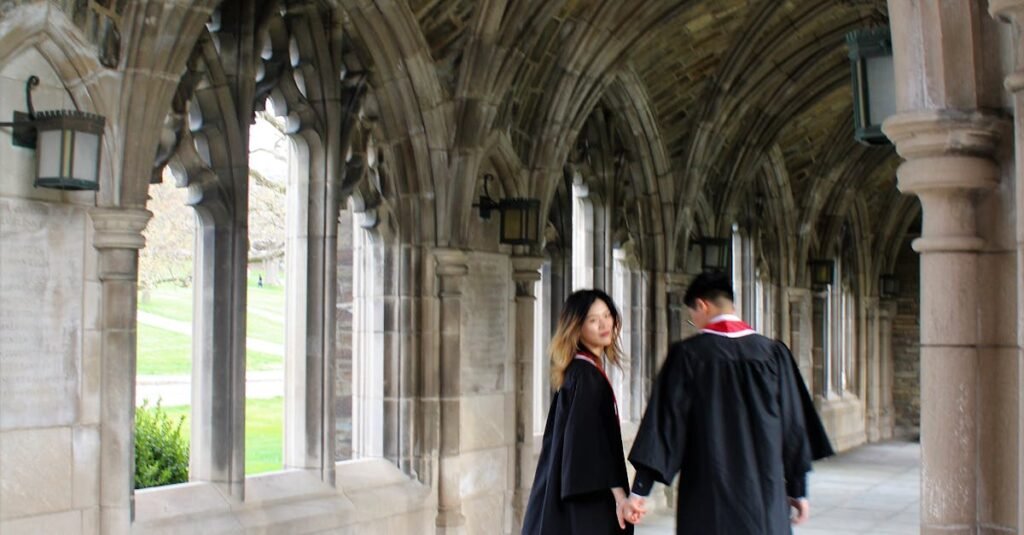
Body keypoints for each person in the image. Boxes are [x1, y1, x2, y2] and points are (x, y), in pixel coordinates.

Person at [625, 271, 833, 534]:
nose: (695, 322)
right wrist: (798, 490)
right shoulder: (773, 354)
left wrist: (639, 490)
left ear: (702, 305)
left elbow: (665, 425)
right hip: (764, 501)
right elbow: (793, 427)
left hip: (709, 502)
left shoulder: (688, 356)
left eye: (693, 316)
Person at [522, 289, 642, 534]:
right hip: (586, 500)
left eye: (607, 315)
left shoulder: (581, 372)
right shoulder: (585, 376)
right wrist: (620, 497)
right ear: (577, 327)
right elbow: (587, 445)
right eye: (593, 319)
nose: (604, 324)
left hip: (569, 491)